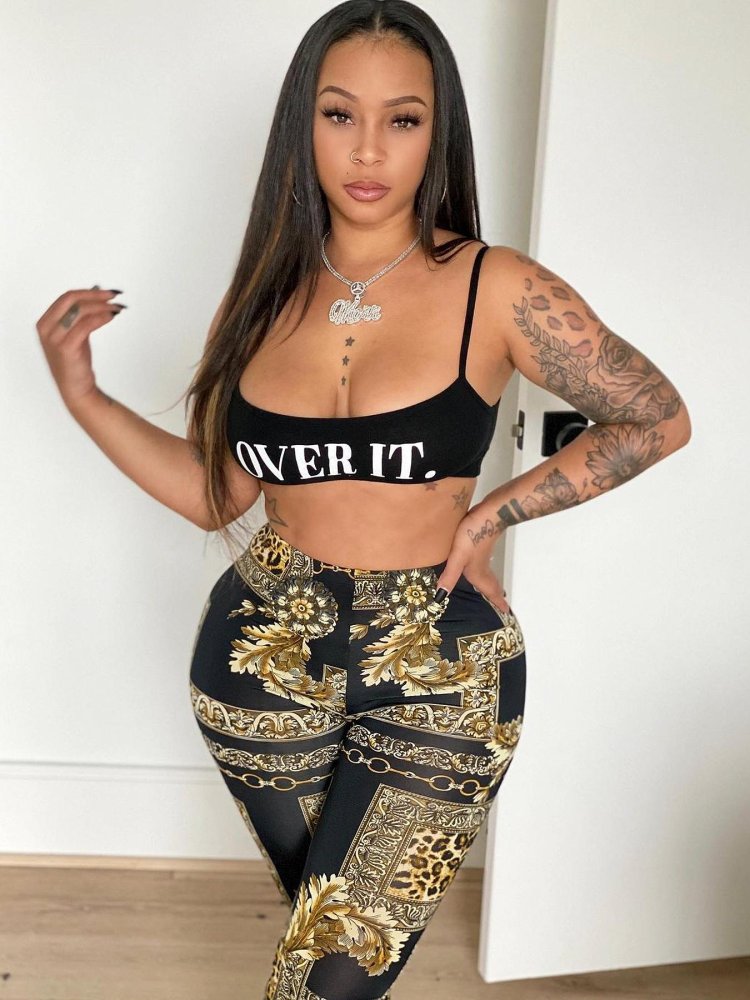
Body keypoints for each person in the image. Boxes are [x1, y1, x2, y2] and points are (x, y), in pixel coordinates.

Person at [34, 1, 691, 997]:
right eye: (340, 114)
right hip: (261, 656)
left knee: (329, 977)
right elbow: (216, 497)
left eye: (404, 118)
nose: (370, 149)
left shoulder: (496, 287)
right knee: (331, 964)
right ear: (303, 125)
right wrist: (84, 394)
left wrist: (493, 513)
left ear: (438, 131)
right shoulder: (260, 293)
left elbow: (655, 416)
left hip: (440, 661)